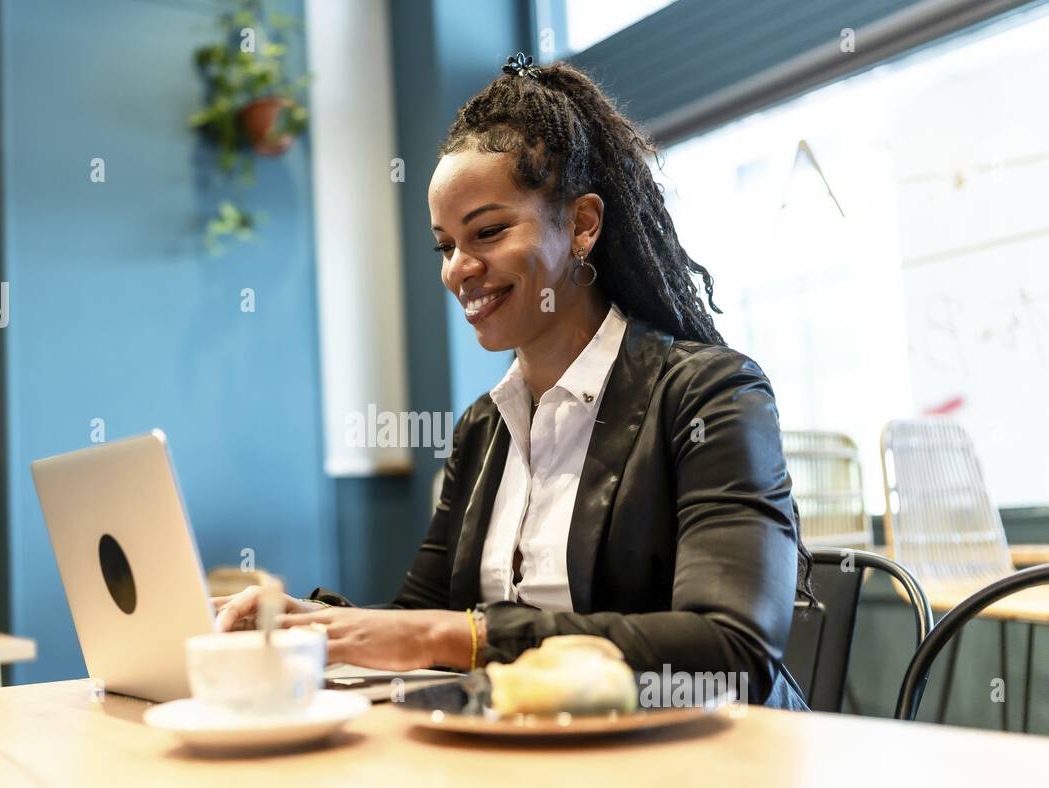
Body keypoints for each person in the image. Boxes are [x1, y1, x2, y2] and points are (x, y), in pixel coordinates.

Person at [216, 54, 811, 709]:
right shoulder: (483, 426)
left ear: (583, 224)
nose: (458, 270)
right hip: (542, 771)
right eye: (444, 246)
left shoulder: (712, 396)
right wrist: (307, 624)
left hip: (709, 778)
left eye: (488, 232)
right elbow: (422, 615)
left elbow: (728, 655)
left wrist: (462, 637)